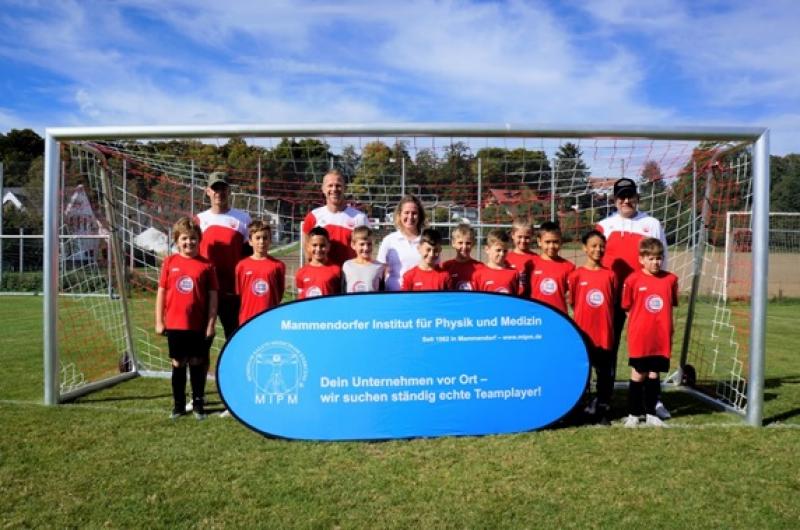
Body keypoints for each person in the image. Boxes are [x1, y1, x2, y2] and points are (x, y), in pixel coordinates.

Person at [596, 177, 671, 420]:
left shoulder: (652, 223)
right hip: (612, 298)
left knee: (652, 349)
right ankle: (603, 397)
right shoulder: (604, 225)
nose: (626, 200)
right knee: (608, 348)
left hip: (645, 300)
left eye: (630, 196)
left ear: (638, 197)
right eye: (621, 196)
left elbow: (663, 257)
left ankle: (654, 400)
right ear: (615, 200)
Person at [155, 217, 218, 420]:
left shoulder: (206, 266)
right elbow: (162, 293)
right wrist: (159, 320)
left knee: (198, 361)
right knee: (178, 362)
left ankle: (198, 404)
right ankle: (179, 405)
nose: (188, 242)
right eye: (184, 239)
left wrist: (210, 323)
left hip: (198, 325)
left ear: (198, 240)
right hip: (175, 324)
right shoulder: (169, 262)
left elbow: (213, 297)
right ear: (176, 240)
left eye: (192, 239)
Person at [620, 237, 678, 427]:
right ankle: (633, 414)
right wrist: (639, 324)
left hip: (661, 337)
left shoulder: (670, 280)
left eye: (659, 258)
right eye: (651, 258)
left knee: (654, 374)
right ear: (641, 259)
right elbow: (627, 307)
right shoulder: (633, 280)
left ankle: (651, 413)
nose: (656, 262)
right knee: (638, 373)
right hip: (641, 336)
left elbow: (671, 306)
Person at [568, 230, 618, 425]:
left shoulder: (610, 275)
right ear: (584, 248)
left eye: (601, 246)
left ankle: (603, 408)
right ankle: (582, 407)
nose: (598, 249)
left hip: (604, 333)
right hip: (584, 334)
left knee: (604, 374)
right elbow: (573, 302)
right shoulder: (576, 275)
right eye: (594, 246)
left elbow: (611, 302)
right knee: (583, 373)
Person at [194, 171, 251, 340]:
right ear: (208, 191)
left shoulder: (243, 218)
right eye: (215, 189)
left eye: (223, 188)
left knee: (235, 339)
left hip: (233, 291)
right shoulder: (199, 220)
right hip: (206, 290)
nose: (219, 193)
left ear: (229, 191)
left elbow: (249, 256)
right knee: (202, 341)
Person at [302, 169, 369, 267]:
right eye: (330, 185)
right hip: (323, 277)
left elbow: (366, 251)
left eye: (338, 185)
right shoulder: (313, 217)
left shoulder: (360, 218)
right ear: (323, 189)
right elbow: (307, 252)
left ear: (344, 188)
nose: (334, 189)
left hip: (350, 277)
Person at [235, 220, 286, 325]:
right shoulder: (242, 266)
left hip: (270, 318)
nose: (261, 241)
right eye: (257, 238)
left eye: (265, 238)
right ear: (250, 241)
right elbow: (239, 294)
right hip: (247, 319)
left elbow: (279, 294)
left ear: (270, 240)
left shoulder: (278, 266)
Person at [377, 194, 426, 291]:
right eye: (406, 212)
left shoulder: (426, 240)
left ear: (420, 215)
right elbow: (379, 270)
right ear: (400, 214)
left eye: (414, 213)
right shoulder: (389, 240)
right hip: (395, 295)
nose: (410, 216)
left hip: (421, 295)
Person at [530, 221, 575, 312]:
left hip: (559, 317)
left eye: (555, 242)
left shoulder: (569, 267)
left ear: (561, 241)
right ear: (539, 242)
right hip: (536, 317)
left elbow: (573, 297)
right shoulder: (531, 264)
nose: (551, 246)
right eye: (547, 242)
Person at [295, 226, 341, 299]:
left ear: (329, 246)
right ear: (308, 247)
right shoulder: (301, 272)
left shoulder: (336, 270)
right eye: (314, 245)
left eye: (322, 245)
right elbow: (300, 298)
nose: (318, 249)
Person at [471, 229, 520, 294]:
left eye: (505, 251)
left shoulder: (514, 273)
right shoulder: (478, 275)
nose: (502, 254)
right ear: (487, 249)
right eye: (498, 250)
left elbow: (515, 299)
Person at [341, 225, 386, 292]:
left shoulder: (379, 267)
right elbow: (343, 291)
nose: (366, 248)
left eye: (369, 244)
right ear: (353, 245)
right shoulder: (347, 266)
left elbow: (382, 293)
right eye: (362, 244)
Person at [442, 223, 483, 291]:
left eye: (468, 243)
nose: (464, 247)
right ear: (453, 243)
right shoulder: (445, 267)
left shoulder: (481, 268)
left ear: (473, 243)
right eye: (460, 243)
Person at [505, 217, 536, 297]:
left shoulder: (537, 259)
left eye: (527, 237)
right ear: (512, 235)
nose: (523, 241)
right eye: (520, 237)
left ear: (532, 236)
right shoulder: (505, 258)